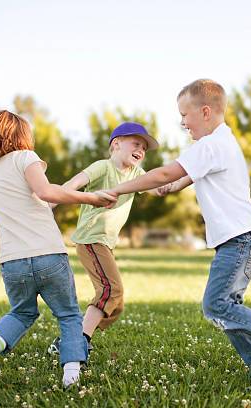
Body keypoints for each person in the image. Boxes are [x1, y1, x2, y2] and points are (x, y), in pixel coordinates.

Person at [108, 79, 251, 386]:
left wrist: (119, 189)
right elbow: (188, 176)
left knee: (216, 305)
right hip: (244, 238)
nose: (182, 122)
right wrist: (174, 186)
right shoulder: (220, 142)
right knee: (228, 307)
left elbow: (164, 172)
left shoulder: (210, 144)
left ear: (204, 111)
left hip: (240, 239)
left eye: (184, 115)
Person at [0, 110, 116, 391]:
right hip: (47, 255)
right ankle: (72, 378)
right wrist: (90, 198)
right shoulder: (25, 157)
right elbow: (47, 192)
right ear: (21, 137)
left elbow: (37, 203)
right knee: (69, 315)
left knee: (21, 313)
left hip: (12, 263)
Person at [47, 122, 160, 361]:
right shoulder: (102, 167)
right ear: (116, 144)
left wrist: (191, 175)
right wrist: (50, 202)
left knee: (115, 303)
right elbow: (73, 184)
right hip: (91, 238)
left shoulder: (136, 174)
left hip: (104, 243)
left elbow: (160, 188)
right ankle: (76, 342)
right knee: (111, 290)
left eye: (144, 147)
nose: (141, 149)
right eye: (136, 143)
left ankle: (71, 339)